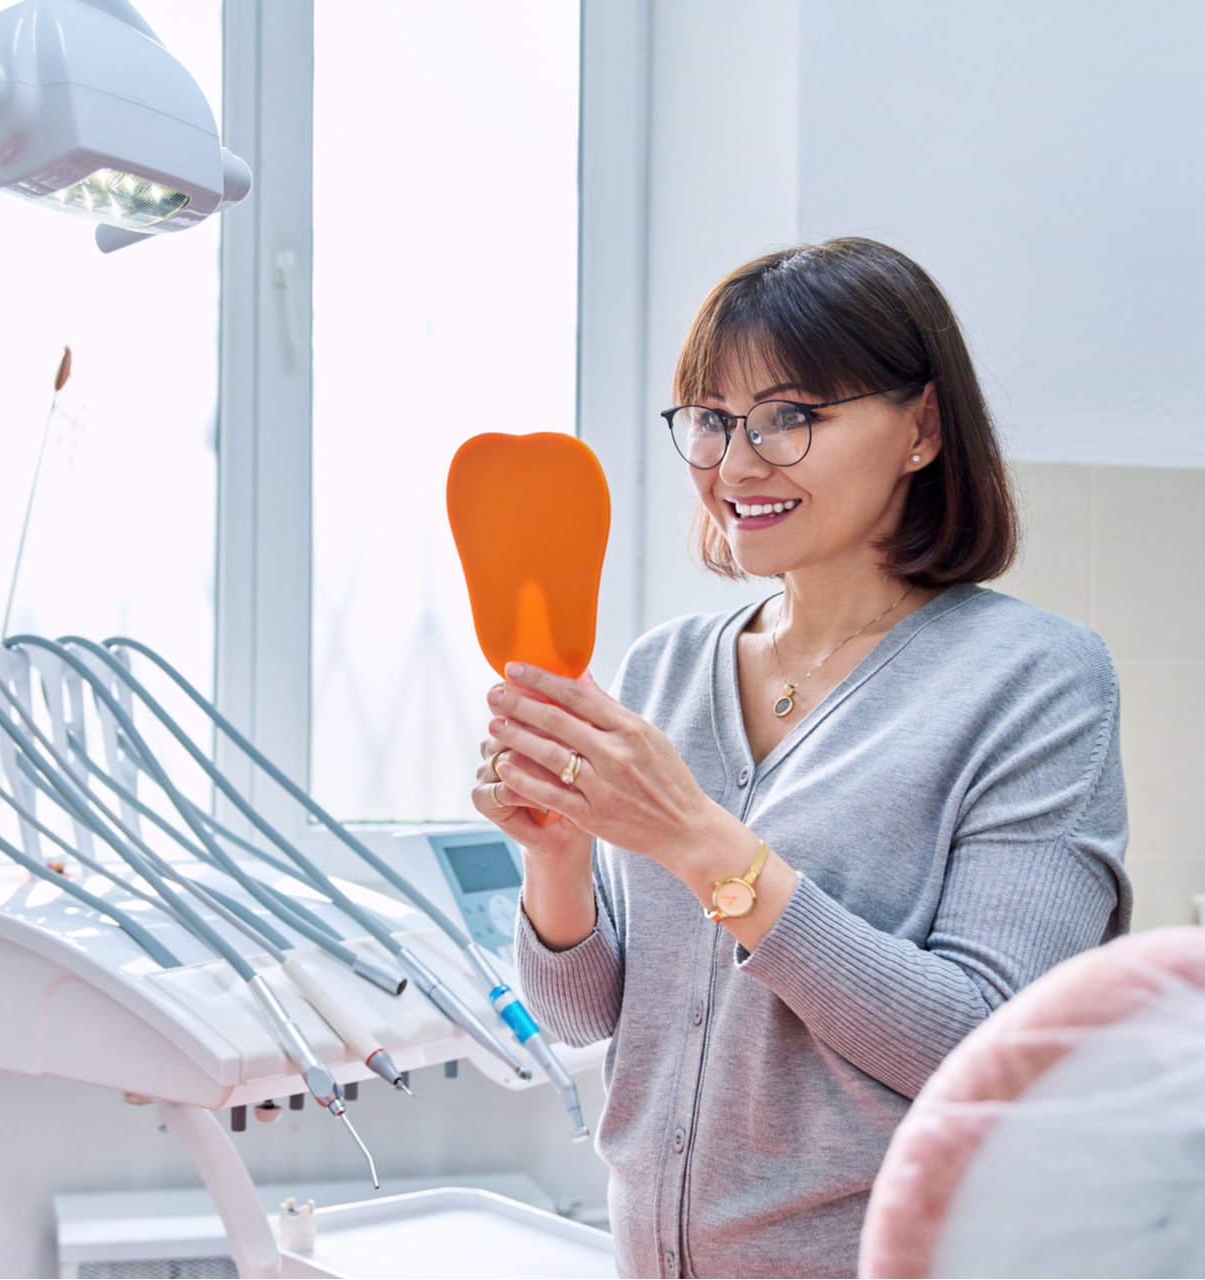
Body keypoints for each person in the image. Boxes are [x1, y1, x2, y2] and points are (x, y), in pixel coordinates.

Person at [472, 237, 1131, 1279]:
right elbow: (587, 1015)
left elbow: (986, 1048)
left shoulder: (1034, 677)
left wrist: (698, 841)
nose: (735, 466)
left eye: (788, 418)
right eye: (713, 420)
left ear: (921, 428)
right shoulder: (665, 667)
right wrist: (556, 858)